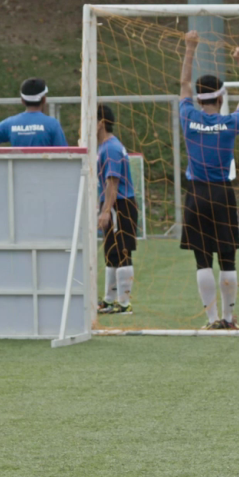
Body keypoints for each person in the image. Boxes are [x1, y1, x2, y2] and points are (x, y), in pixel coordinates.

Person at [178, 30, 239, 330]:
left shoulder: (188, 117)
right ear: (221, 98)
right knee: (227, 260)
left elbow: (184, 84)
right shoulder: (230, 122)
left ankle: (211, 321)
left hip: (195, 195)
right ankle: (229, 319)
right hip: (222, 194)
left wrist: (190, 47)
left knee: (202, 260)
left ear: (199, 98)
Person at [95, 104, 138, 317]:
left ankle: (124, 303)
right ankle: (110, 300)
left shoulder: (111, 148)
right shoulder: (103, 146)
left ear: (101, 123)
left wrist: (105, 211)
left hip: (121, 205)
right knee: (111, 253)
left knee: (122, 252)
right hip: (113, 204)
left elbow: (113, 182)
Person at [0, 78, 68, 147]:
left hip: (16, 170)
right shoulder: (52, 124)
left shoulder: (10, 123)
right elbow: (64, 155)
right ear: (44, 99)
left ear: (22, 100)